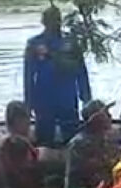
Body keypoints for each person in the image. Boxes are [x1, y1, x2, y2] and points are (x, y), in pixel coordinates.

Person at [24, 6, 91, 146]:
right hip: (43, 98)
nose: (54, 23)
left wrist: (86, 97)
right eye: (50, 20)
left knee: (72, 136)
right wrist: (28, 103)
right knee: (43, 138)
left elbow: (81, 70)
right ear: (44, 22)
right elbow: (28, 75)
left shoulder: (71, 42)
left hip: (67, 96)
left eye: (57, 20)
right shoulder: (34, 44)